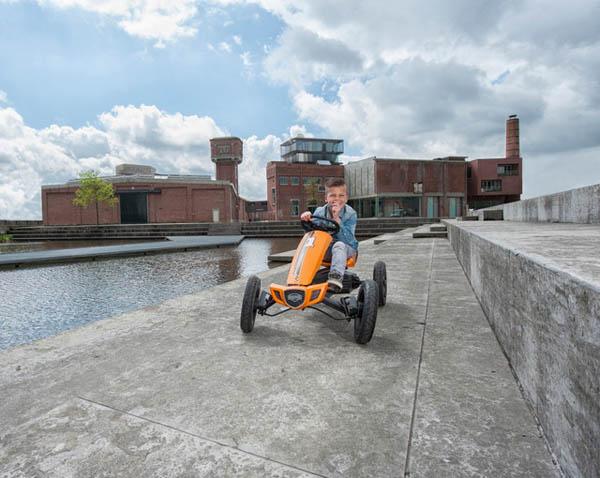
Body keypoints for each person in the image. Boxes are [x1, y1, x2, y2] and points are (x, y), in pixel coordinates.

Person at [300, 178, 358, 291]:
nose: (337, 199)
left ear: (346, 198)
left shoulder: (351, 214)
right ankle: (300, 279)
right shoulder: (319, 212)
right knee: (308, 245)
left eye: (341, 195)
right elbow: (312, 234)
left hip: (347, 248)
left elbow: (350, 241)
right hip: (326, 249)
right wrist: (307, 220)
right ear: (326, 198)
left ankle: (335, 279)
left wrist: (337, 219)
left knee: (339, 245)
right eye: (332, 195)